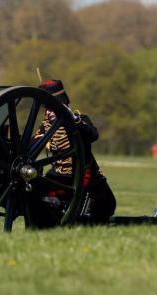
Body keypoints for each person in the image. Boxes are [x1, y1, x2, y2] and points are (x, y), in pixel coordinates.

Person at [32, 79, 116, 226]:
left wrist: (74, 119)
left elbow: (93, 135)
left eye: (51, 108)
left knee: (106, 205)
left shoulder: (80, 119)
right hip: (58, 176)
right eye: (47, 108)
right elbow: (32, 146)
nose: (48, 112)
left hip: (86, 176)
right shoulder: (45, 127)